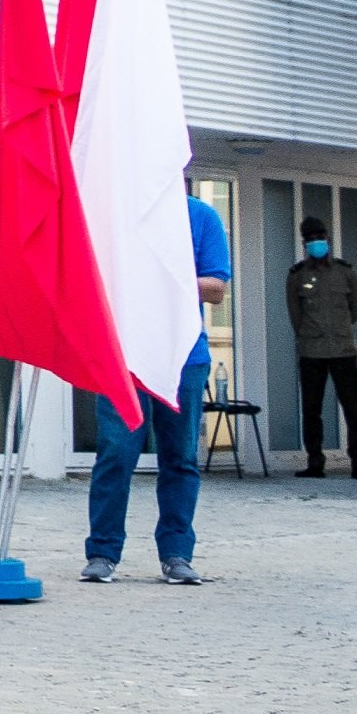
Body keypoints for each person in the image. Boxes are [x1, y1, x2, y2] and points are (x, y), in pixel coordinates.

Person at [84, 192, 230, 584]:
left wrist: (163, 275)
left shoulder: (201, 217)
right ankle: (102, 552)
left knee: (180, 457)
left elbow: (216, 287)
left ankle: (177, 554)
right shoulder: (119, 215)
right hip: (125, 355)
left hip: (183, 356)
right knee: (116, 451)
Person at [285, 218, 357, 480]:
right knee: (312, 410)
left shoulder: (345, 272)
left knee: (354, 410)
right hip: (312, 352)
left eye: (320, 236)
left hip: (343, 350)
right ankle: (315, 463)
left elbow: (355, 311)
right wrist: (311, 335)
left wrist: (338, 330)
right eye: (311, 238)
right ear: (304, 242)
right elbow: (295, 316)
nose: (316, 242)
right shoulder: (297, 275)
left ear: (328, 239)